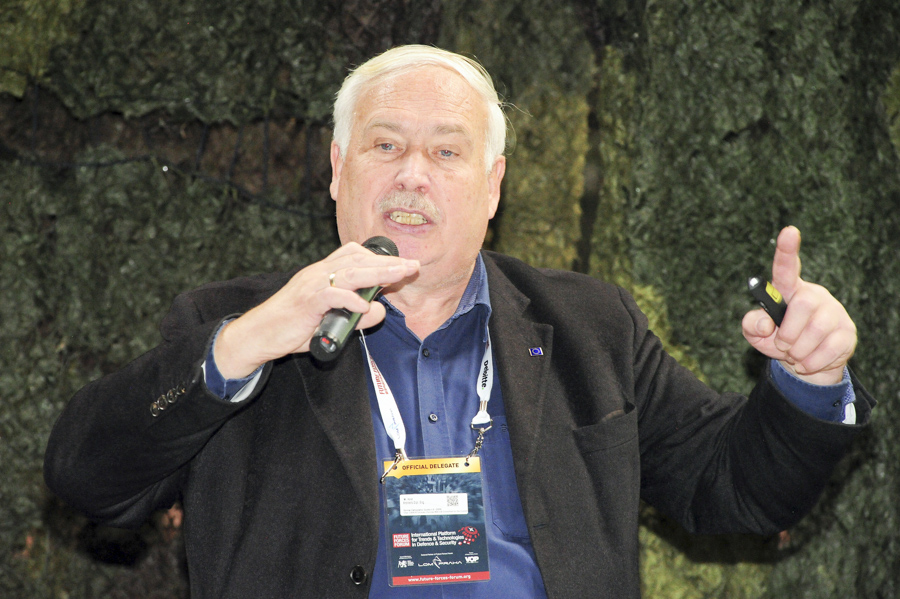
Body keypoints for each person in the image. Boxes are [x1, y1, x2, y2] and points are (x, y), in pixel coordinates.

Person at [45, 45, 873, 598]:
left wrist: (810, 379)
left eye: (446, 152)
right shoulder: (239, 324)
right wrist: (243, 345)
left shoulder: (592, 325)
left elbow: (733, 486)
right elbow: (89, 479)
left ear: (493, 185)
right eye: (384, 146)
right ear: (337, 170)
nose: (413, 175)